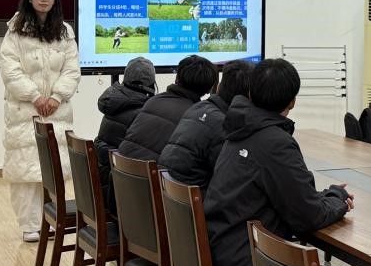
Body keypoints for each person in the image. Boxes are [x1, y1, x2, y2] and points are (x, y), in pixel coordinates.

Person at [203, 58, 354, 266]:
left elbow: (292, 199)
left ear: (250, 93)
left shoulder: (237, 128)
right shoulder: (274, 142)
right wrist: (337, 198)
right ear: (292, 101)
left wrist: (323, 197)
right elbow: (309, 216)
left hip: (219, 262)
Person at [0, 0, 80, 242]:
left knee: (54, 169)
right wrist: (35, 96)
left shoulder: (65, 32)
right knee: (26, 170)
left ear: (55, 0)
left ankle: (53, 219)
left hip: (57, 110)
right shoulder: (16, 29)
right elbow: (10, 69)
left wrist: (56, 97)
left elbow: (72, 69)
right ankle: (29, 225)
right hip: (25, 110)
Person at [160, 60, 254, 190]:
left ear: (220, 86)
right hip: (194, 198)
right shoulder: (227, 126)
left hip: (171, 192)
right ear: (249, 96)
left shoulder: (198, 107)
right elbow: (234, 178)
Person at [117, 55, 216, 161]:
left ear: (177, 78)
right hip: (153, 171)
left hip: (121, 167)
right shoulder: (197, 116)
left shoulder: (154, 100)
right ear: (209, 89)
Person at [93, 57, 157, 213]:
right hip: (118, 197)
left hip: (103, 186)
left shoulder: (115, 102)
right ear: (151, 85)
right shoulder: (142, 113)